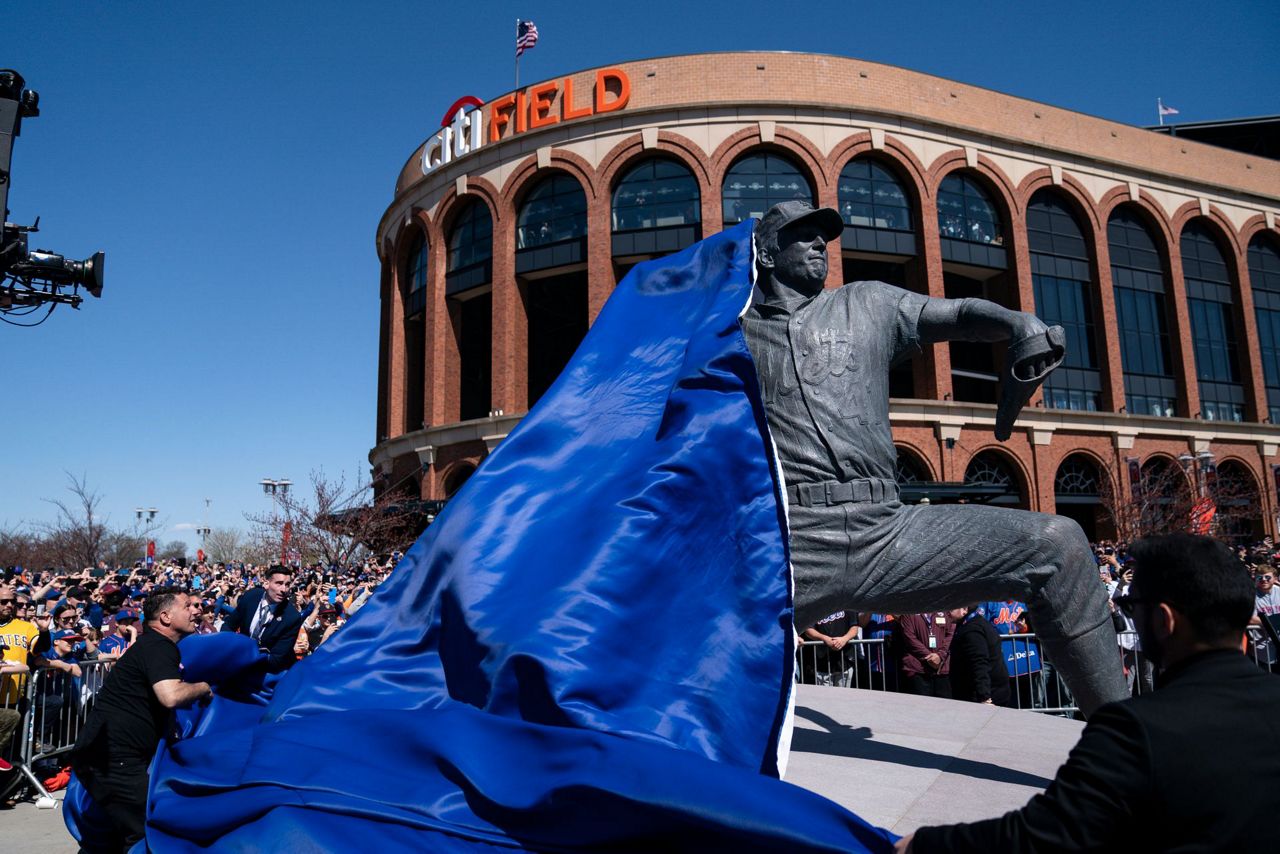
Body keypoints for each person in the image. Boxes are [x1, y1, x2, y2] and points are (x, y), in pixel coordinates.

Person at [742, 202, 1126, 716]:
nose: (820, 244)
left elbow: (956, 314)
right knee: (674, 634)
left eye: (823, 236)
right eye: (802, 235)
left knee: (1059, 545)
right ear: (766, 253)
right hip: (792, 540)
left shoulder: (868, 303)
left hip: (886, 530)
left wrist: (1016, 322)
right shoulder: (731, 334)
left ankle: (1120, 738)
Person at [898, 534, 1280, 853]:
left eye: (1133, 606)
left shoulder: (1134, 730)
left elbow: (1042, 837)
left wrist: (926, 844)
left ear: (1164, 619)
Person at [72, 588, 212, 851]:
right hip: (114, 760)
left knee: (109, 839)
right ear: (166, 617)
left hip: (106, 756)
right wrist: (203, 688)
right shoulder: (159, 647)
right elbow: (169, 695)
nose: (196, 611)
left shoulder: (152, 646)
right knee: (145, 833)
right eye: (187, 606)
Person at [220, 565, 303, 672]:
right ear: (266, 583)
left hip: (267, 673)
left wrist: (245, 657)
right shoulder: (251, 596)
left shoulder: (292, 617)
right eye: (279, 583)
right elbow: (228, 626)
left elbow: (276, 660)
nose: (284, 589)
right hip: (238, 663)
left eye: (287, 585)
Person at [948, 605, 1012, 706]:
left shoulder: (972, 630)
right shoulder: (971, 624)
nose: (947, 611)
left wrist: (984, 697)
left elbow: (979, 663)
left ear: (964, 609)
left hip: (983, 696)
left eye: (951, 608)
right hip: (983, 691)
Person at [896, 611, 953, 698]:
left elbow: (950, 634)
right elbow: (910, 638)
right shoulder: (908, 613)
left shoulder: (944, 610)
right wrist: (930, 657)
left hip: (941, 669)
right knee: (921, 707)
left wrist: (940, 656)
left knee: (944, 706)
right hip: (918, 669)